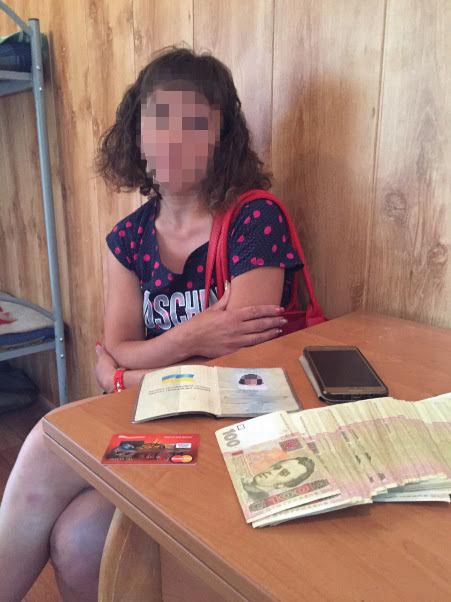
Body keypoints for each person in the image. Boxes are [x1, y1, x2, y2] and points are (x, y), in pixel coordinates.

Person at [0, 46, 302, 601]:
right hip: (156, 420)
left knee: (53, 455)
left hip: (233, 433)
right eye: (158, 118)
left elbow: (241, 378)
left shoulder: (254, 219)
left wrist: (126, 376)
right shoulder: (129, 237)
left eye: (196, 123)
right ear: (136, 134)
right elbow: (117, 344)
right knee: (78, 538)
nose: (173, 138)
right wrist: (193, 337)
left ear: (221, 137)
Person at [242, 456, 315, 500]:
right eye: (277, 467)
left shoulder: (254, 499)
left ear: (283, 485)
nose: (272, 471)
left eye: (283, 473)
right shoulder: (242, 480)